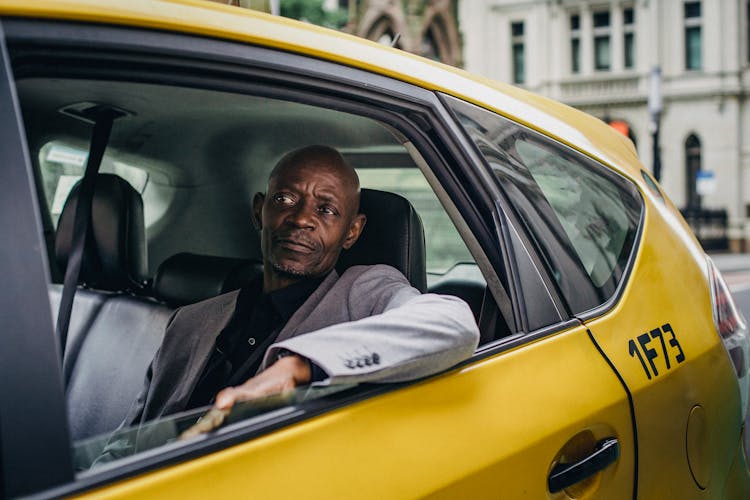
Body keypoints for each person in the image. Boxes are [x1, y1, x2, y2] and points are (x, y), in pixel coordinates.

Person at [122, 145, 480, 428]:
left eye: (326, 210)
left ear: (352, 232)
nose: (301, 218)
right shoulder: (189, 321)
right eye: (285, 200)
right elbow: (130, 440)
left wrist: (300, 366)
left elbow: (452, 322)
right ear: (259, 211)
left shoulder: (363, 291)